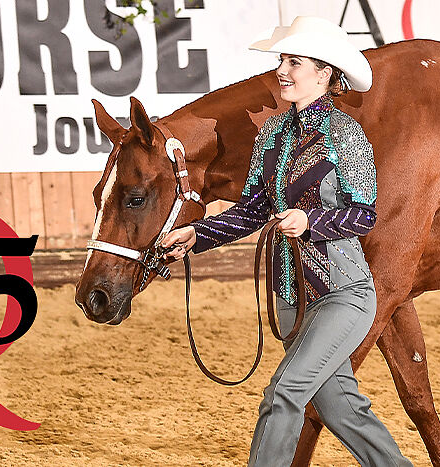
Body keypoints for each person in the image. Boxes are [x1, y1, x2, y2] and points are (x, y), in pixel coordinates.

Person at [161, 15, 413, 467]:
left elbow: (364, 214)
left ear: (324, 74)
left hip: (344, 293)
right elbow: (254, 210)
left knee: (285, 391)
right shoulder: (273, 136)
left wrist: (310, 220)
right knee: (342, 409)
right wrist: (197, 235)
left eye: (295, 62)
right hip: (290, 295)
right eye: (283, 59)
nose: (282, 70)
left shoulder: (346, 135)